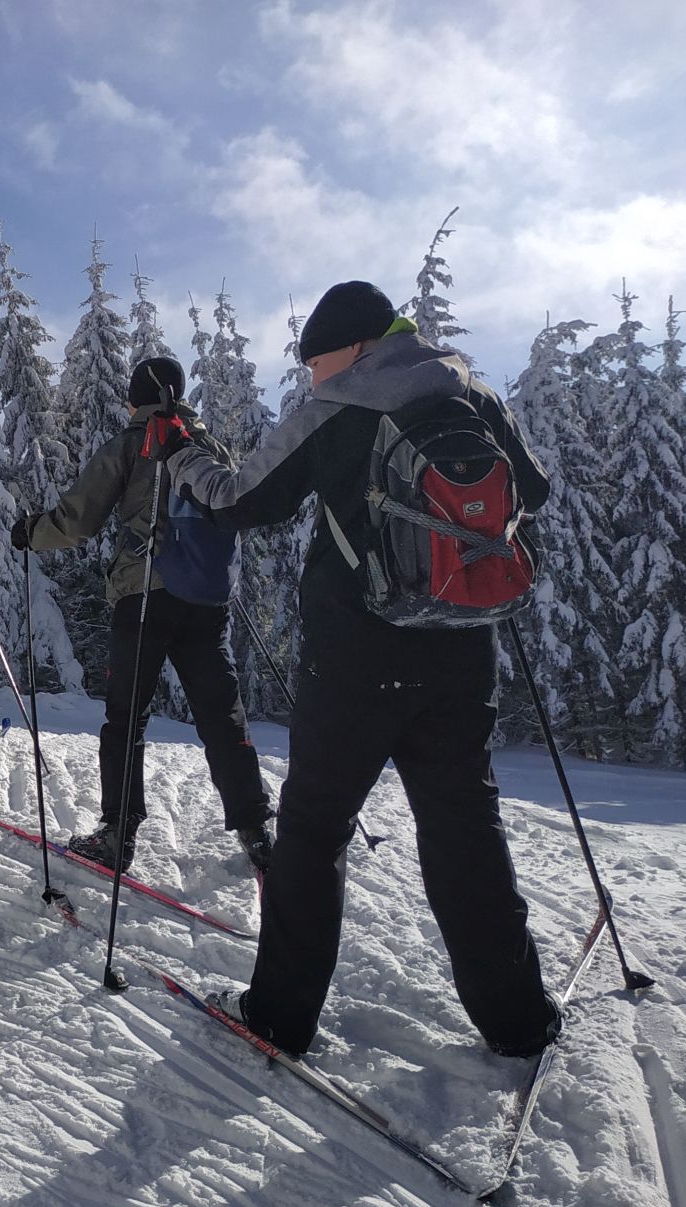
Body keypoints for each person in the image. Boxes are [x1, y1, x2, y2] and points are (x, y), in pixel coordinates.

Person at [166, 279, 562, 1060]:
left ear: (351, 349)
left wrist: (186, 463)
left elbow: (242, 500)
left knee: (313, 831)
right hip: (462, 649)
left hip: (354, 658)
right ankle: (518, 1020)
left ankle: (279, 1017)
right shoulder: (473, 393)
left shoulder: (336, 407)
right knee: (464, 826)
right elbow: (535, 491)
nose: (311, 375)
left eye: (314, 360)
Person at [12, 356, 274, 875]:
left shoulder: (132, 444)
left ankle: (118, 834)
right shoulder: (209, 447)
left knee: (126, 718)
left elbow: (77, 520)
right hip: (207, 602)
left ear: (135, 399)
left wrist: (31, 532)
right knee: (222, 716)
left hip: (144, 596)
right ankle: (255, 828)